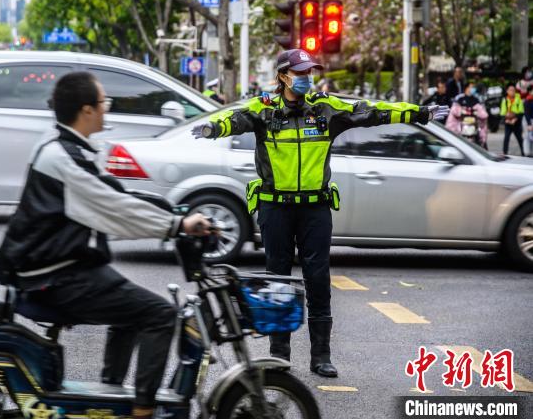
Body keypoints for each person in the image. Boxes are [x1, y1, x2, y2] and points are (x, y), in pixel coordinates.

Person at [190, 49, 448, 377]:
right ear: (283, 76)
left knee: (318, 279)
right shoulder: (264, 109)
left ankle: (321, 357)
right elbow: (234, 119)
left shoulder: (325, 107)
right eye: (299, 73)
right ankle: (279, 356)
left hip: (315, 208)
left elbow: (373, 111)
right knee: (277, 281)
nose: (306, 78)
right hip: (275, 208)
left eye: (309, 72)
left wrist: (419, 113)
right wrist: (212, 129)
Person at [0, 72, 212, 419]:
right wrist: (176, 226)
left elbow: (114, 193)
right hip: (53, 276)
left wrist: (172, 211)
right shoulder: (64, 158)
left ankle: (110, 397)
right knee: (160, 314)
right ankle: (142, 411)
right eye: (103, 103)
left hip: (61, 264)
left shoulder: (63, 145)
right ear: (86, 110)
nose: (106, 109)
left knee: (130, 308)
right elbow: (113, 207)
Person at [446, 82, 488, 148]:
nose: (473, 89)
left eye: (473, 87)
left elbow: (483, 115)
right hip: (461, 129)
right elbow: (454, 111)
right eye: (471, 87)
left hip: (475, 129)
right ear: (466, 88)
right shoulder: (459, 98)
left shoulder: (476, 100)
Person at [502, 82, 525, 155]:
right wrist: (506, 119)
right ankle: (504, 153)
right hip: (508, 122)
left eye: (513, 90)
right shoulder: (505, 100)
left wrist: (515, 119)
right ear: (507, 91)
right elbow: (502, 113)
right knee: (506, 138)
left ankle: (524, 153)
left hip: (517, 123)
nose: (512, 92)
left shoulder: (519, 99)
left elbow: (521, 112)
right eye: (510, 90)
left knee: (520, 139)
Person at [525, 84, 533, 157]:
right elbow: (526, 113)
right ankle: (528, 153)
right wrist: (529, 124)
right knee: (528, 137)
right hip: (530, 120)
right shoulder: (528, 100)